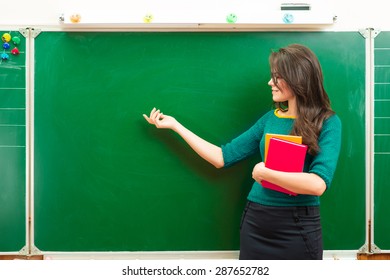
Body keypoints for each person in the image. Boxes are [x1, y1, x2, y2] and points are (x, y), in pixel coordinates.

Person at [143, 44, 342, 260]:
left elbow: (317, 184)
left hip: (299, 226)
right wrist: (176, 126)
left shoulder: (328, 122)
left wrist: (264, 173)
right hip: (257, 222)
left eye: (277, 77)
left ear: (297, 78)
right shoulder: (270, 119)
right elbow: (222, 157)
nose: (270, 83)